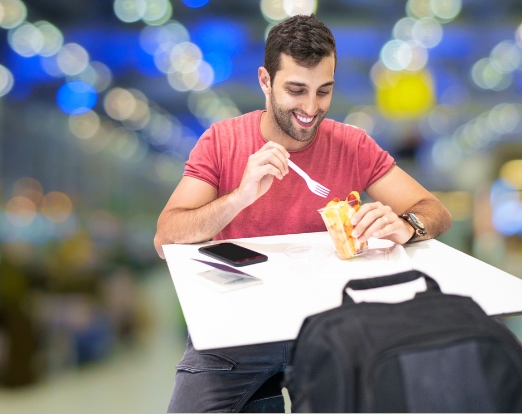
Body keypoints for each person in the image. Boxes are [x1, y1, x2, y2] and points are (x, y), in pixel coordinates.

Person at [153, 14, 451, 412]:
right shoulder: (222, 142)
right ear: (265, 81)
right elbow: (166, 237)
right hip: (236, 330)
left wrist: (405, 225)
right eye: (296, 90)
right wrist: (240, 197)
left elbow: (434, 211)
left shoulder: (352, 146)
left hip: (329, 327)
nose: (311, 108)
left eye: (323, 91)